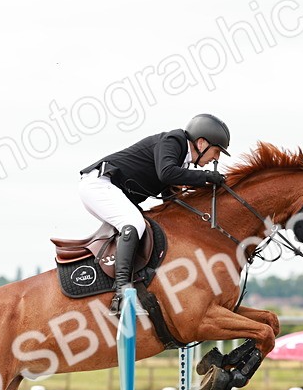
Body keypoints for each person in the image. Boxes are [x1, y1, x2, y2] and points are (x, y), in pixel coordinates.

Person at [79, 113, 231, 314]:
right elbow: (166, 173)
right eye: (217, 151)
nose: (216, 158)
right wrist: (206, 177)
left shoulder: (182, 160)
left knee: (149, 227)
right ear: (201, 143)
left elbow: (170, 196)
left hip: (110, 189)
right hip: (98, 184)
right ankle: (122, 294)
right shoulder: (174, 140)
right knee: (134, 223)